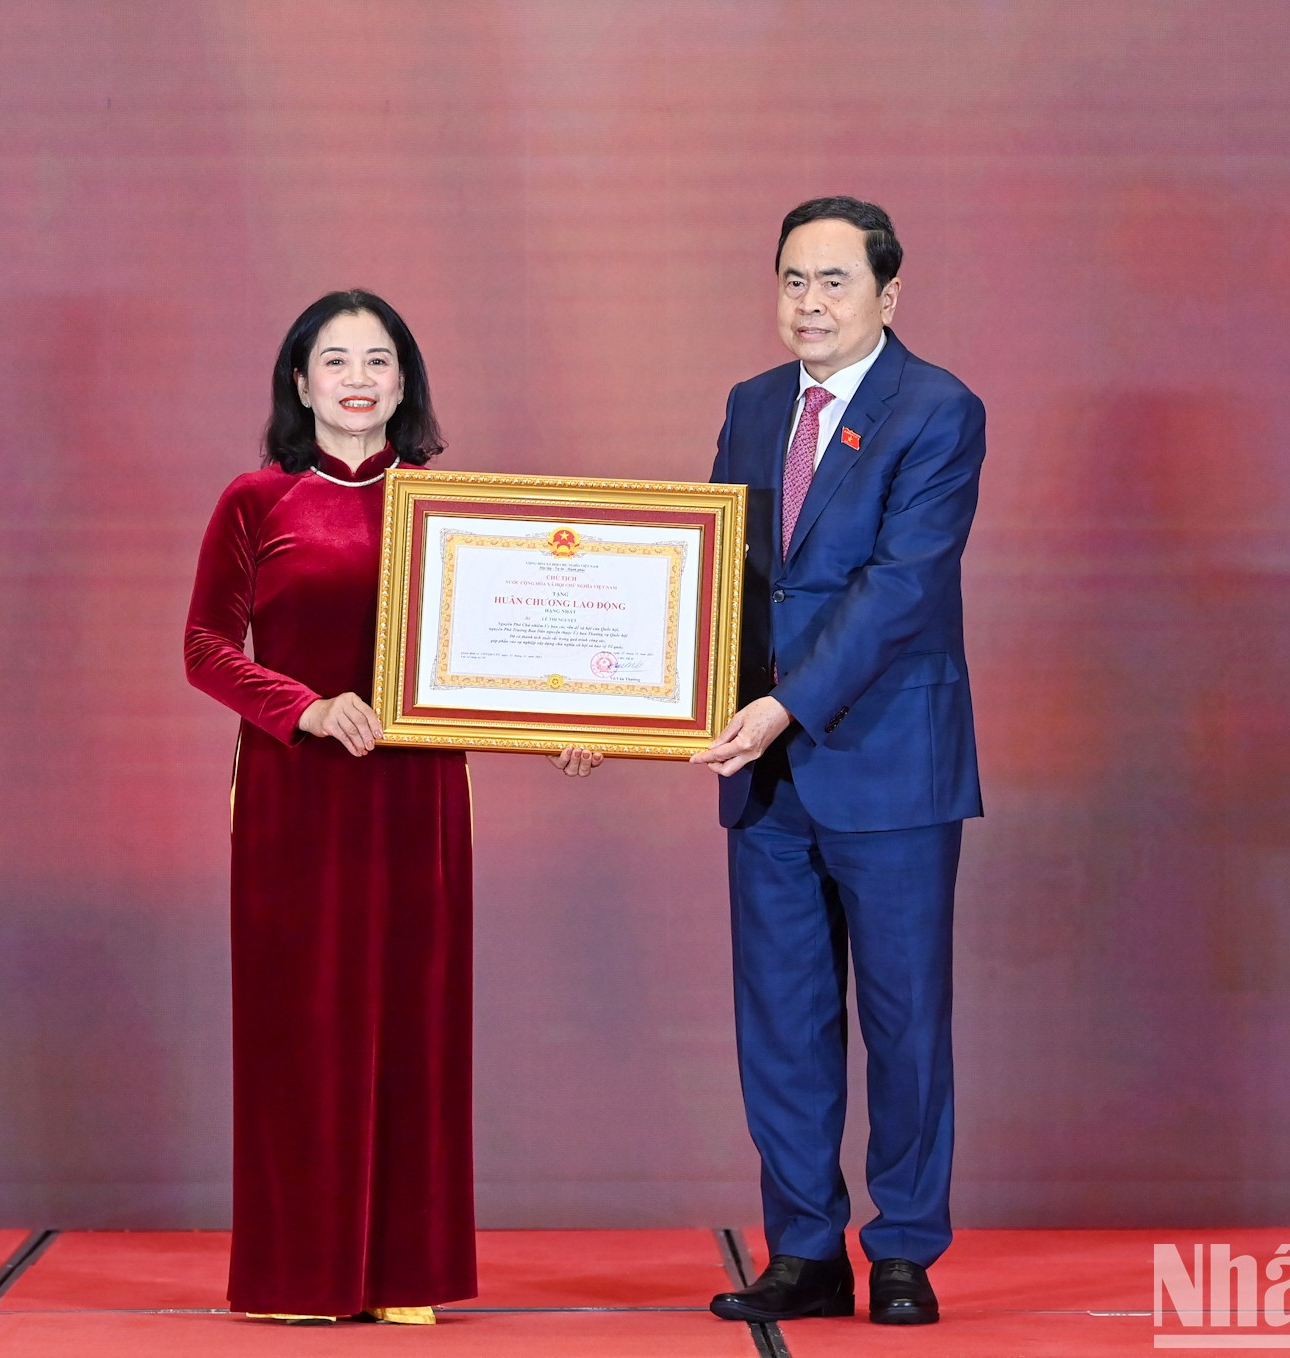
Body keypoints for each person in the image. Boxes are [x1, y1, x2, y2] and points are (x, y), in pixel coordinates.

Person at [184, 290, 599, 1326]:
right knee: (300, 1025)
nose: (358, 377)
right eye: (336, 359)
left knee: (415, 1021)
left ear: (405, 382)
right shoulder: (255, 500)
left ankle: (406, 1273)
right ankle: (299, 1276)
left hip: (419, 794)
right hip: (297, 791)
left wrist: (572, 717)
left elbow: (506, 659)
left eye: (379, 359)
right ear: (300, 380)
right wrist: (307, 707)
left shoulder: (450, 509)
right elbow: (205, 647)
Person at [693, 198, 985, 1327]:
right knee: (782, 1019)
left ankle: (904, 1246)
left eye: (833, 283)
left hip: (887, 760)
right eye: (791, 282)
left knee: (906, 1018)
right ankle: (805, 1248)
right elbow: (713, 572)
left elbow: (902, 589)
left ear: (886, 297)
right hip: (762, 770)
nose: (808, 304)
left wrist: (779, 705)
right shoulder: (752, 404)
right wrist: (628, 700)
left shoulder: (937, 408)